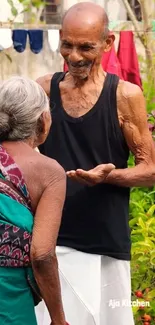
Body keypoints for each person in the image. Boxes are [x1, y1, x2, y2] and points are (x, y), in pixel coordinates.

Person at [36, 2, 155, 325]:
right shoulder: (43, 89)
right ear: (60, 38)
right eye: (67, 45)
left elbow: (151, 171)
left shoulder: (125, 96)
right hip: (50, 243)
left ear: (107, 43)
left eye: (86, 47)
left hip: (105, 242)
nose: (74, 56)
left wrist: (108, 177)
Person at [0, 76, 67, 325]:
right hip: (9, 298)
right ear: (43, 121)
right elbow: (42, 254)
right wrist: (58, 318)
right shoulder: (48, 171)